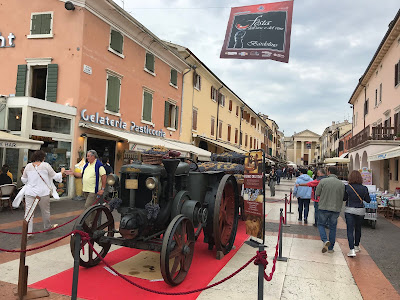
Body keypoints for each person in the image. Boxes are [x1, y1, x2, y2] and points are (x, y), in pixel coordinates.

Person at [21, 150, 65, 236]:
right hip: (43, 192)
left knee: (29, 212)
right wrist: (62, 172)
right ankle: (47, 227)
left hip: (30, 192)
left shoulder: (28, 166)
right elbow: (55, 176)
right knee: (45, 211)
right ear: (43, 157)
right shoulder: (46, 165)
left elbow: (24, 180)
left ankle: (28, 232)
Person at [315, 166, 345, 253]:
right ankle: (331, 248)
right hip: (335, 208)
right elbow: (343, 196)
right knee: (333, 228)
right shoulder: (341, 184)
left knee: (320, 224)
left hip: (324, 207)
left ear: (328, 172)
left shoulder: (323, 181)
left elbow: (317, 193)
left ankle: (325, 240)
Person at [343, 170, 371, 257]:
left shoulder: (347, 187)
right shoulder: (364, 188)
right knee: (358, 228)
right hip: (360, 210)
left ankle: (351, 250)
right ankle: (356, 246)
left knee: (350, 230)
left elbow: (344, 198)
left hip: (350, 210)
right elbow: (368, 200)